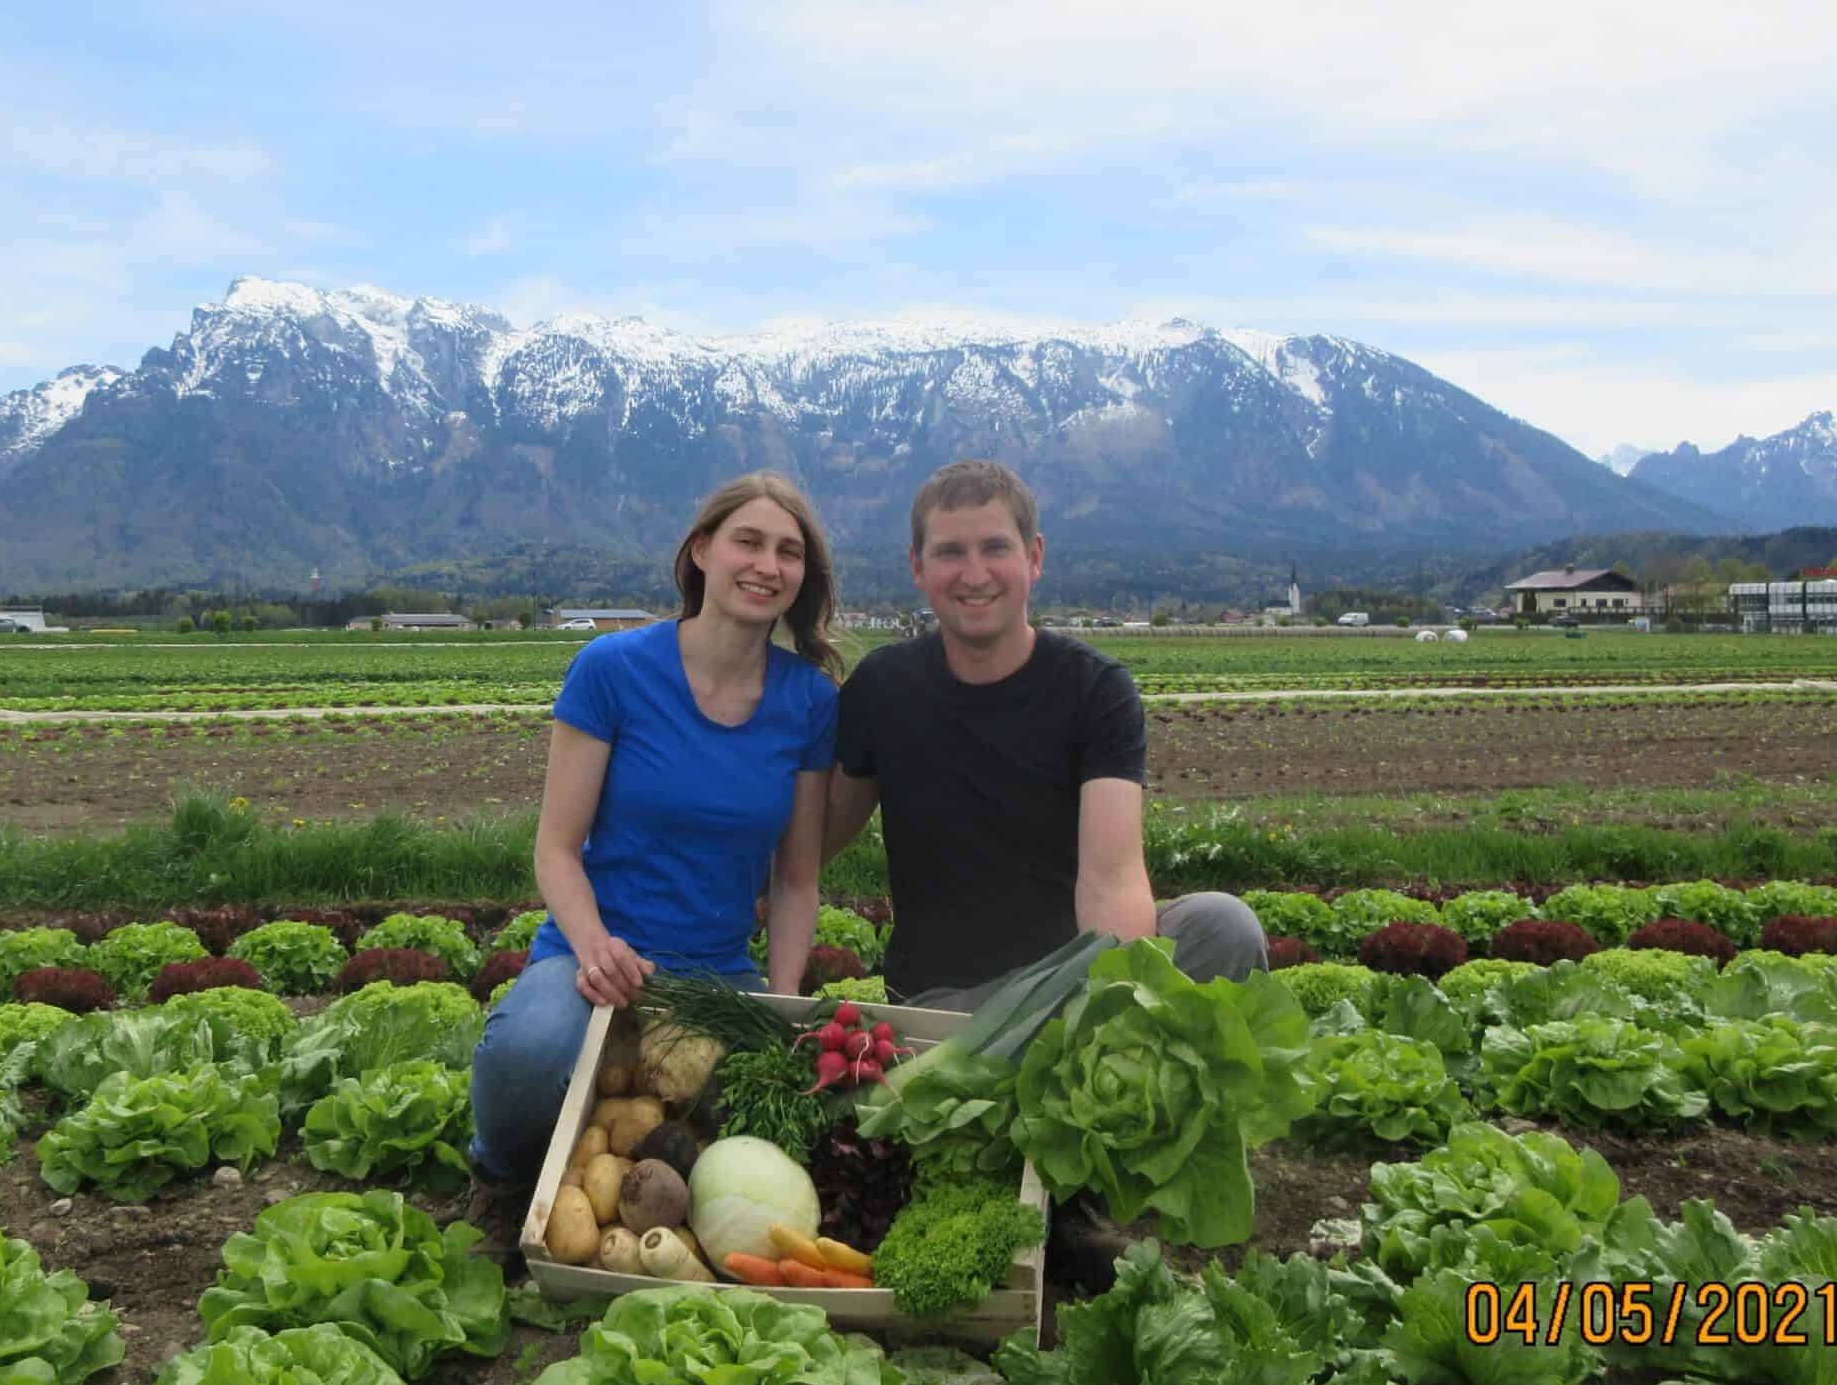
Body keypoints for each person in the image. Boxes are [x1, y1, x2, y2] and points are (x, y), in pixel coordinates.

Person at [461, 472, 843, 1252]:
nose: (767, 564)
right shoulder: (613, 670)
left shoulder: (809, 700)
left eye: (788, 551)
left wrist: (779, 1005)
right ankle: (502, 1181)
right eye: (748, 540)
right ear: (701, 550)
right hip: (591, 956)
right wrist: (597, 946)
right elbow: (557, 848)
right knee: (527, 1056)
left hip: (714, 976)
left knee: (782, 1118)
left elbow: (796, 876)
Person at [822, 458, 1265, 1005]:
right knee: (982, 1028)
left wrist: (1120, 1008)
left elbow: (1114, 880)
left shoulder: (1095, 689)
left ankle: (1082, 1046)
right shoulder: (882, 688)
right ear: (917, 566)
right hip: (949, 1001)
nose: (975, 573)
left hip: (1071, 977)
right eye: (950, 552)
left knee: (1223, 926)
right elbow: (813, 842)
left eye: (995, 548)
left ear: (1034, 558)